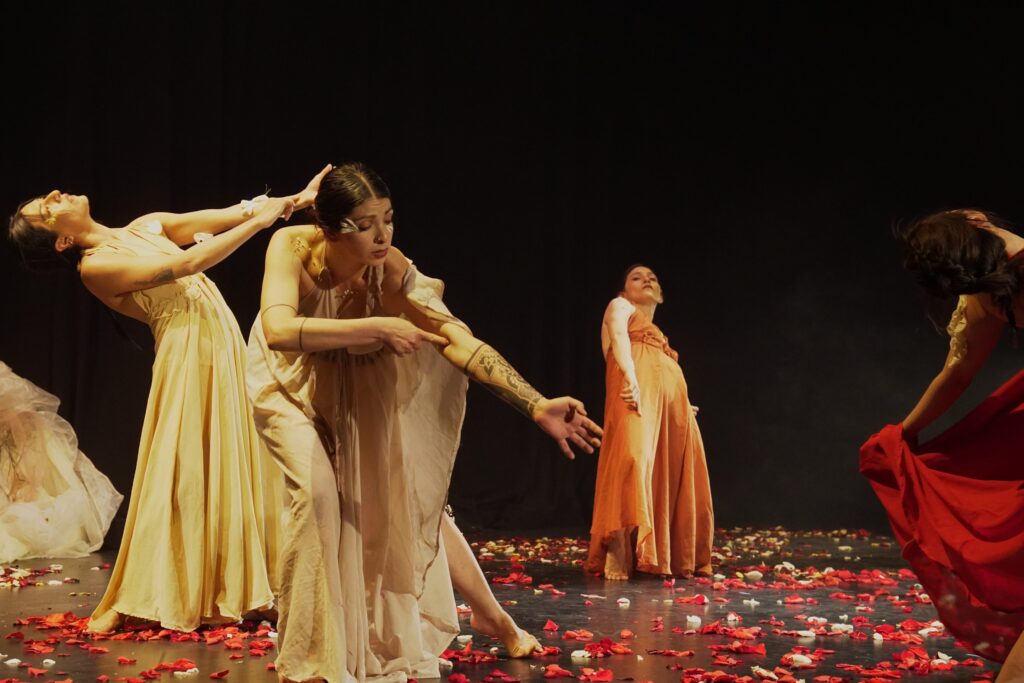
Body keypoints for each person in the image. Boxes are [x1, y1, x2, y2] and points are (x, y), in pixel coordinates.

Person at [246, 162, 603, 683]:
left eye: (388, 219)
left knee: (402, 497)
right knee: (320, 493)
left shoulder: (389, 268)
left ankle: (491, 615)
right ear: (330, 228)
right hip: (287, 383)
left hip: (355, 380)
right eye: (365, 225)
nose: (382, 235)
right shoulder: (292, 248)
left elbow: (456, 338)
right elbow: (279, 330)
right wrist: (378, 326)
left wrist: (535, 404)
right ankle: (313, 656)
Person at [6, 165, 328, 632]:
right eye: (47, 208)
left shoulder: (145, 225)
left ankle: (246, 587)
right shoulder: (95, 267)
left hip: (221, 345)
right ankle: (144, 590)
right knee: (186, 468)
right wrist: (260, 225)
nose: (56, 193)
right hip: (187, 352)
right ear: (62, 242)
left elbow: (231, 213)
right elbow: (187, 264)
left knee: (234, 460)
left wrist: (296, 200)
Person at [860, 209, 1024, 680]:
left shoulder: (989, 294)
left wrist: (903, 432)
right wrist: (902, 434)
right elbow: (959, 372)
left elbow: (958, 372)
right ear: (975, 220)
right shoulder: (994, 287)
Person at [583, 265, 713, 580]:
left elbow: (661, 371)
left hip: (670, 406)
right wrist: (630, 376)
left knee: (675, 469)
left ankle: (671, 552)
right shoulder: (620, 306)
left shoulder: (659, 337)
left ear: (661, 295)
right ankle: (617, 544)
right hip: (633, 393)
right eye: (637, 277)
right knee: (631, 458)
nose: (647, 280)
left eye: (652, 278)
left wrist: (681, 402)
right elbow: (618, 339)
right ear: (623, 291)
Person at [0, 360, 122, 564]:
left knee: (24, 518)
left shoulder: (25, 428)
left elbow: (29, 478)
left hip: (24, 493)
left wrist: (20, 493)